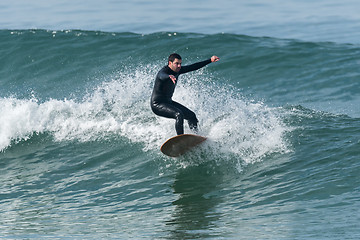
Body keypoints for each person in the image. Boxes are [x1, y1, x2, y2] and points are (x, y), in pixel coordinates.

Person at [151, 53, 220, 135]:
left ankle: (196, 135)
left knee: (191, 116)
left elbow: (193, 67)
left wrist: (210, 60)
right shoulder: (163, 72)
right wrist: (169, 76)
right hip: (157, 104)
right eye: (177, 63)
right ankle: (180, 139)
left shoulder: (178, 70)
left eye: (180, 63)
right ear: (170, 63)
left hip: (168, 102)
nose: (179, 66)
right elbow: (162, 76)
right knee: (179, 114)